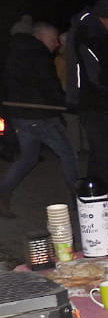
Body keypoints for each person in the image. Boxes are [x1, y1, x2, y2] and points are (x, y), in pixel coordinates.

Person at [0, 21, 78, 216]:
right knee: (68, 154)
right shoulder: (38, 54)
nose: (57, 44)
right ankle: (80, 199)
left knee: (28, 157)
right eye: (54, 39)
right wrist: (66, 104)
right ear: (41, 37)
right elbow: (49, 85)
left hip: (21, 115)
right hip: (40, 116)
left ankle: (2, 193)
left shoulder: (13, 52)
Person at [66, 0, 108, 213]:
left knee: (98, 158)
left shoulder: (91, 34)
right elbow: (98, 77)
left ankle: (91, 202)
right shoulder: (92, 37)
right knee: (107, 160)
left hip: (95, 104)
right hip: (97, 105)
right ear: (105, 17)